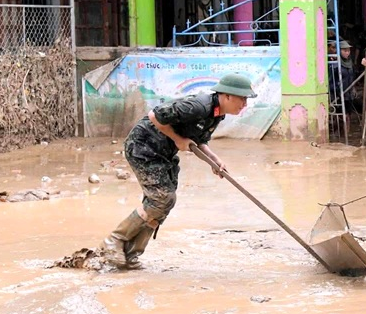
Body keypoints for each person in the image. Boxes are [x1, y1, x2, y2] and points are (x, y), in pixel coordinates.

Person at [100, 73, 256, 269]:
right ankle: (114, 240)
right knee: (161, 198)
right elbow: (155, 116)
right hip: (144, 147)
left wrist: (214, 161)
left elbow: (198, 141)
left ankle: (130, 255)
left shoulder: (217, 114)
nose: (244, 104)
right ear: (227, 96)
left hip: (165, 153)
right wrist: (177, 139)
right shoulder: (197, 106)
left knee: (165, 203)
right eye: (242, 98)